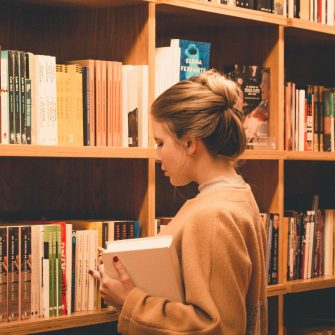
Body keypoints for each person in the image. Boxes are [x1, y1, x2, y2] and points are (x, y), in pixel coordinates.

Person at [89, 69, 268, 334]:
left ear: (189, 143)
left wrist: (130, 302)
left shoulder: (214, 215)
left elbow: (216, 326)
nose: (157, 155)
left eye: (161, 143)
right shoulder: (238, 194)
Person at [243, 68, 270, 143]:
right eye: (261, 82)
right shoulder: (261, 106)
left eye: (264, 82)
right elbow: (244, 126)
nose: (261, 86)